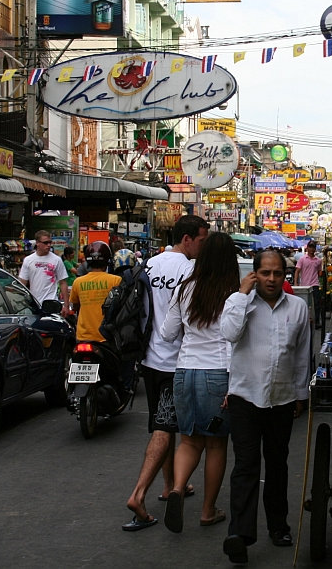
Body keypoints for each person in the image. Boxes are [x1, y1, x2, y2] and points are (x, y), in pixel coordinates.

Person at [219, 250, 310, 565]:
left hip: (282, 399)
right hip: (244, 397)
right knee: (245, 466)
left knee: (278, 464)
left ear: (285, 275)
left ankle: (278, 526)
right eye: (266, 273)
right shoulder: (240, 304)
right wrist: (242, 295)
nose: (272, 279)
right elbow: (228, 334)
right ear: (255, 274)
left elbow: (301, 355)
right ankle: (240, 534)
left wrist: (301, 395)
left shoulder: (297, 307)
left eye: (277, 273)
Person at [124, 214, 209, 532]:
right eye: (201, 240)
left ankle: (170, 485)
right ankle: (139, 493)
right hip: (178, 361)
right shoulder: (190, 270)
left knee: (165, 424)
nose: (203, 246)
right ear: (187, 239)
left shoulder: (150, 265)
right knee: (169, 427)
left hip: (150, 359)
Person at [160, 232, 239, 533]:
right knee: (216, 445)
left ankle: (178, 488)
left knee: (189, 440)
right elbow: (234, 340)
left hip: (184, 373)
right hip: (218, 373)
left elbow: (168, 334)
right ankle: (207, 510)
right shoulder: (233, 293)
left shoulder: (185, 288)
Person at [69, 242, 121, 343]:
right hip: (107, 337)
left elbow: (75, 306)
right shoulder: (116, 280)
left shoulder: (78, 282)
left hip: (83, 336)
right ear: (108, 261)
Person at [17, 230, 68, 311]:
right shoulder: (28, 260)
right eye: (45, 243)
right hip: (34, 304)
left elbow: (63, 282)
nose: (48, 245)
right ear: (37, 243)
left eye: (50, 242)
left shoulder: (57, 260)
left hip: (51, 303)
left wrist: (66, 306)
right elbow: (22, 283)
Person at [294, 240, 322, 319]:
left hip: (315, 284)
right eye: (310, 247)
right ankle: (305, 320)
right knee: (305, 304)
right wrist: (296, 283)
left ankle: (316, 321)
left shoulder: (318, 260)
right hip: (305, 285)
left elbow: (319, 272)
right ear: (307, 248)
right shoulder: (302, 259)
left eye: (313, 247)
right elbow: (297, 271)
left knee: (316, 304)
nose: (312, 249)